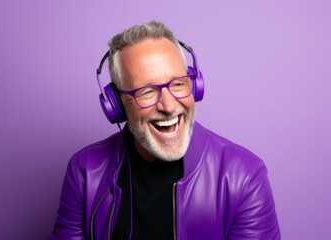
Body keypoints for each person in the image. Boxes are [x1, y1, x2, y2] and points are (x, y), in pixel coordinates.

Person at [50, 21, 280, 240]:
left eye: (179, 83)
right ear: (117, 105)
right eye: (147, 91)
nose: (169, 106)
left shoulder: (244, 177)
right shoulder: (85, 171)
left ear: (195, 86)